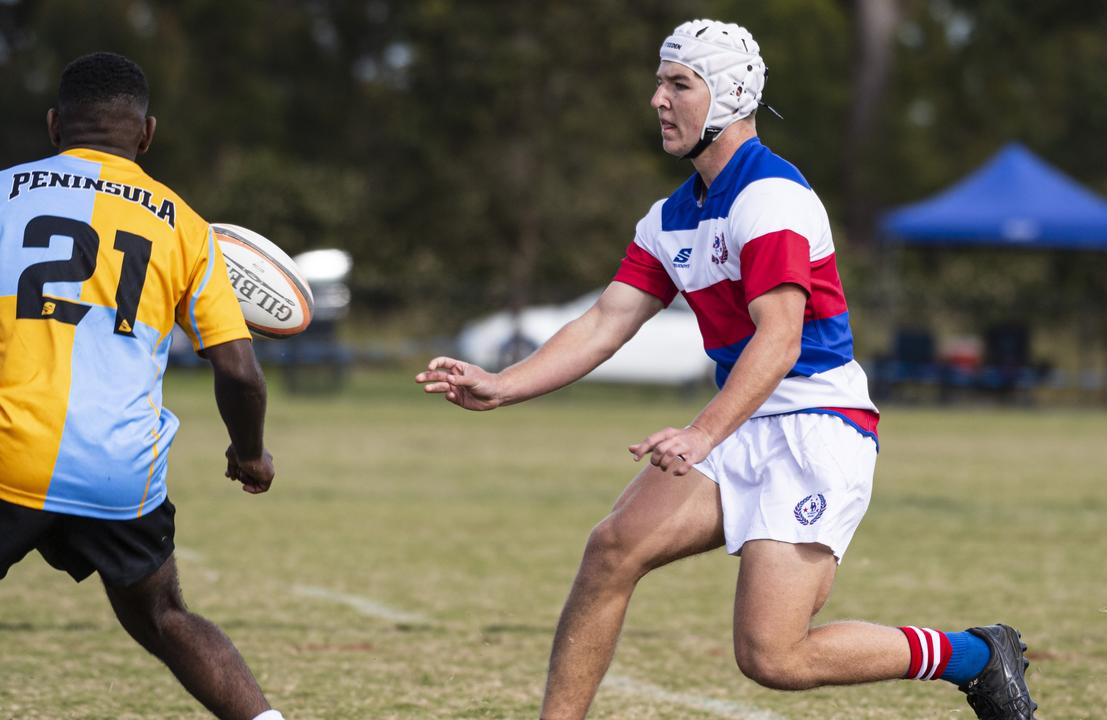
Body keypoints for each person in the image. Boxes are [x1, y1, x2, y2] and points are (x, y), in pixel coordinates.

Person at [417, 19, 1037, 720]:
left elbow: (780, 341)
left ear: (731, 95)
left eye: (679, 84)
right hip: (740, 422)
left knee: (773, 658)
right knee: (611, 551)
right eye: (659, 81)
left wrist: (702, 433)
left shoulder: (771, 197)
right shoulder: (671, 217)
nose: (657, 98)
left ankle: (976, 655)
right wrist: (504, 385)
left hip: (816, 427)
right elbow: (603, 322)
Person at [0, 52, 285, 720]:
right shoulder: (184, 225)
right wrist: (250, 453)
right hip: (116, 468)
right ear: (147, 134)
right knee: (164, 616)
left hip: (9, 450)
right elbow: (239, 370)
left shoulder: (4, 191)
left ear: (52, 125)